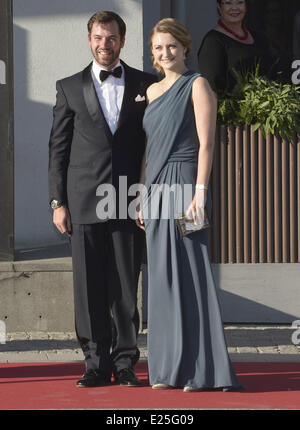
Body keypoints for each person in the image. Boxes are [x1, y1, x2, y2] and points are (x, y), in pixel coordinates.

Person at [48, 11, 156, 388]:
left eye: (111, 38)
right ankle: (95, 363)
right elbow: (58, 150)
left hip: (128, 200)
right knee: (89, 287)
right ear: (89, 40)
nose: (104, 44)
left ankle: (125, 362)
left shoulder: (148, 84)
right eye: (98, 37)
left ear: (122, 41)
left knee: (127, 286)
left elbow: (152, 145)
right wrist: (56, 202)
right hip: (83, 202)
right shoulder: (69, 87)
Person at [137, 18, 243, 392]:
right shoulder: (150, 93)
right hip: (155, 191)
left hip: (185, 185)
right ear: (152, 54)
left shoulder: (198, 85)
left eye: (171, 46)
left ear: (184, 47)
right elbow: (149, 150)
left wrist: (200, 192)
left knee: (192, 274)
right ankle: (167, 369)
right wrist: (141, 195)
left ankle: (201, 371)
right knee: (163, 280)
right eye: (158, 48)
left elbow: (207, 145)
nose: (164, 54)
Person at [197, 0, 275, 94]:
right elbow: (213, 85)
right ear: (219, 6)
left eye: (240, 2)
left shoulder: (260, 38)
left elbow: (273, 73)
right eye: (228, 3)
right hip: (234, 107)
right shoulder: (213, 41)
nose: (234, 8)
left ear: (246, 6)